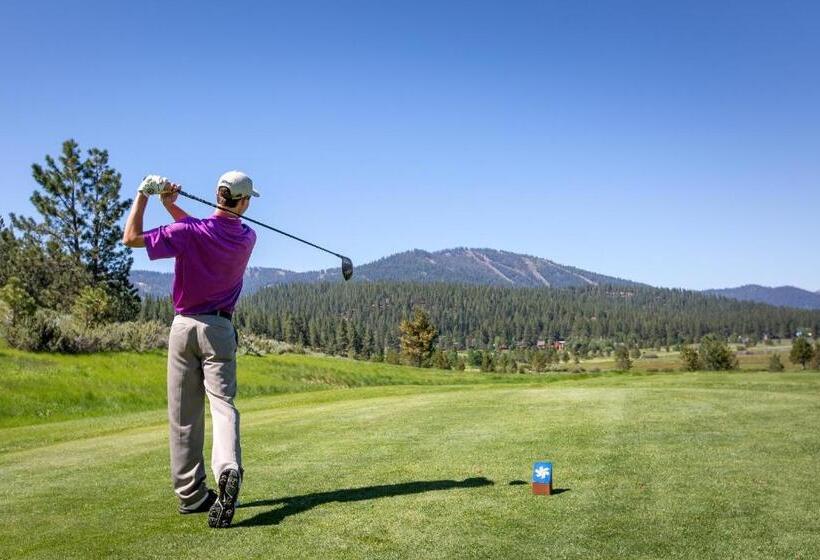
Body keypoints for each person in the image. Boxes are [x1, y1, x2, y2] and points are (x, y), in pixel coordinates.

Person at [122, 170, 259, 528]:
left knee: (183, 414)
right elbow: (201, 233)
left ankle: (192, 495)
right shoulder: (247, 236)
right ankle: (228, 467)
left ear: (217, 196)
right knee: (222, 405)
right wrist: (173, 207)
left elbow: (131, 237)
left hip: (183, 328)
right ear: (243, 202)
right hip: (219, 329)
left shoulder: (189, 233)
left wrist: (145, 196)